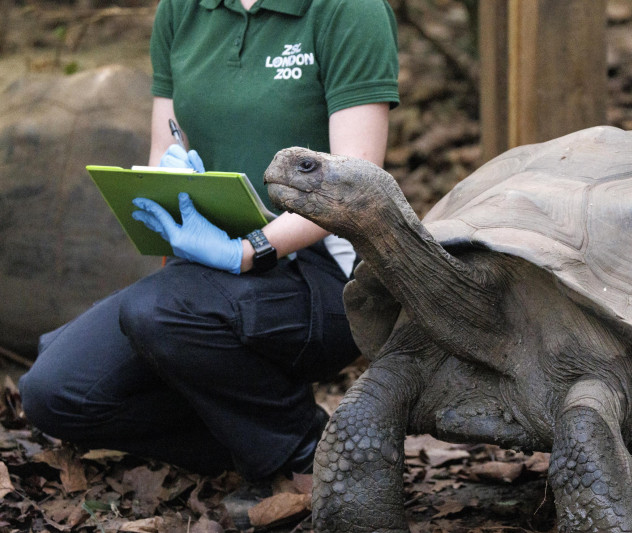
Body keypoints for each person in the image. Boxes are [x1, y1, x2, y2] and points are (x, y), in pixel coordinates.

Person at [18, 0, 399, 483]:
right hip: (212, 265)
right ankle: (242, 442)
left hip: (329, 271)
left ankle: (301, 450)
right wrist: (169, 184)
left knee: (158, 312)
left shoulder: (348, 10)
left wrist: (249, 251)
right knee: (55, 394)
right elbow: (166, 147)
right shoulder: (181, 9)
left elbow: (355, 190)